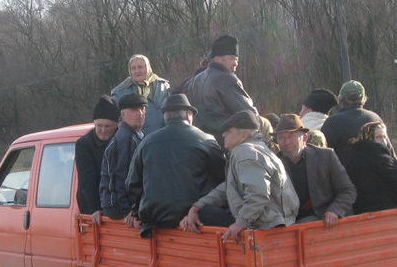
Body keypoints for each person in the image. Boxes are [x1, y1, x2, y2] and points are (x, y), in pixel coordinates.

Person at [180, 111, 298, 242]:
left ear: (244, 134)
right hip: (278, 220)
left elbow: (258, 193)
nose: (223, 134)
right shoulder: (258, 148)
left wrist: (241, 223)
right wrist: (197, 206)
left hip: (267, 224)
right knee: (204, 210)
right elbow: (228, 188)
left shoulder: (245, 152)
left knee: (206, 214)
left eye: (229, 131)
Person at [125, 94, 225, 237]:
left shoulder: (146, 142)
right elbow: (223, 178)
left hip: (154, 220)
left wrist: (137, 211)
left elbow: (132, 184)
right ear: (189, 115)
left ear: (165, 117)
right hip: (195, 218)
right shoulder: (206, 140)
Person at [271, 114, 356, 227]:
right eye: (281, 138)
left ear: (305, 137)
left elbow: (348, 190)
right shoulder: (274, 163)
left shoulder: (325, 156)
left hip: (327, 223)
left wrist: (334, 210)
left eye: (292, 136)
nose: (287, 142)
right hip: (292, 225)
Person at [181, 35, 256, 143]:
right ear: (218, 59)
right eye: (232, 58)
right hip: (223, 143)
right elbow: (249, 115)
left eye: (237, 60)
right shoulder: (227, 80)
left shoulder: (192, 82)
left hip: (195, 142)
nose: (235, 63)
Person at [96, 93, 147, 223]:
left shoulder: (138, 136)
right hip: (119, 208)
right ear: (123, 114)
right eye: (134, 110)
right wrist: (128, 210)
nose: (140, 113)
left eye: (142, 108)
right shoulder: (125, 139)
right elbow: (118, 178)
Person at [75, 95, 120, 215]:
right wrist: (95, 208)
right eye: (99, 126)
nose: (103, 130)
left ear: (115, 125)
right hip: (92, 206)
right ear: (94, 124)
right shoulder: (84, 144)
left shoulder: (122, 141)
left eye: (107, 126)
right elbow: (87, 179)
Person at [321, 80, 386, 160]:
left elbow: (322, 155)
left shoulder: (332, 122)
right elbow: (389, 153)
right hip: (376, 167)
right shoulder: (375, 119)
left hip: (341, 168)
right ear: (364, 99)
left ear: (339, 100)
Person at [110, 55, 171, 133]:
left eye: (140, 67)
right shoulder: (121, 91)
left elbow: (170, 109)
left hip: (161, 134)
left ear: (148, 68)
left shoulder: (162, 86)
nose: (137, 71)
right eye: (133, 68)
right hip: (135, 136)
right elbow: (114, 116)